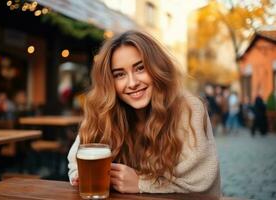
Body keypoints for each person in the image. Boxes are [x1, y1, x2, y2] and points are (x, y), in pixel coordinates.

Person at [67, 30, 220, 197]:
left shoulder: (188, 108)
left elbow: (201, 178)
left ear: (157, 68)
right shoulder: (103, 111)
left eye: (140, 68)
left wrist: (141, 183)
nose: (132, 83)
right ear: (109, 82)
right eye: (119, 75)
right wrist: (81, 177)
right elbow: (75, 162)